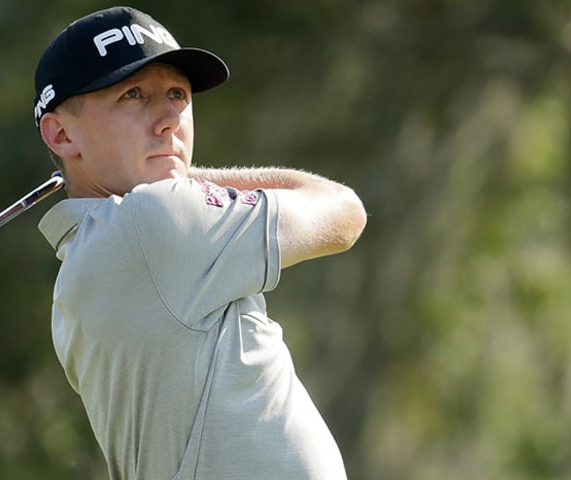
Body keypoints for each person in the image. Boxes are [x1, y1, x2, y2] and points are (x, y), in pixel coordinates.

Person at [33, 6, 367, 480]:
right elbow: (343, 209)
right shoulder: (153, 223)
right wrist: (177, 179)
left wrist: (170, 177)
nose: (169, 118)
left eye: (177, 94)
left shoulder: (79, 272)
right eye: (133, 95)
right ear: (62, 133)